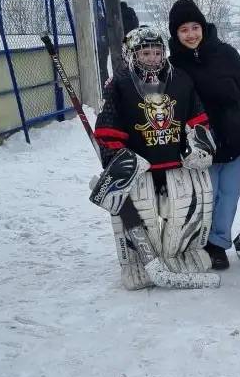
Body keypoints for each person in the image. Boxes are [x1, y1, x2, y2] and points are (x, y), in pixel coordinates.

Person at [93, 25, 217, 289]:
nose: (152, 58)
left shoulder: (181, 79)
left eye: (157, 53)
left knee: (188, 210)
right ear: (132, 54)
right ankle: (138, 260)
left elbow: (198, 120)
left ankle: (181, 253)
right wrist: (116, 158)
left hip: (176, 164)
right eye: (145, 53)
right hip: (141, 167)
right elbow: (108, 128)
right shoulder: (120, 84)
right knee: (144, 213)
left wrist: (200, 146)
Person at [168, 0, 240, 270]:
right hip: (200, 144)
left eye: (194, 27)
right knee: (204, 195)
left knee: (229, 193)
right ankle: (198, 241)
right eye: (184, 29)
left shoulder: (225, 53)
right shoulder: (173, 66)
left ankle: (218, 245)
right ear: (175, 34)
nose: (191, 34)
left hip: (234, 138)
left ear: (203, 27)